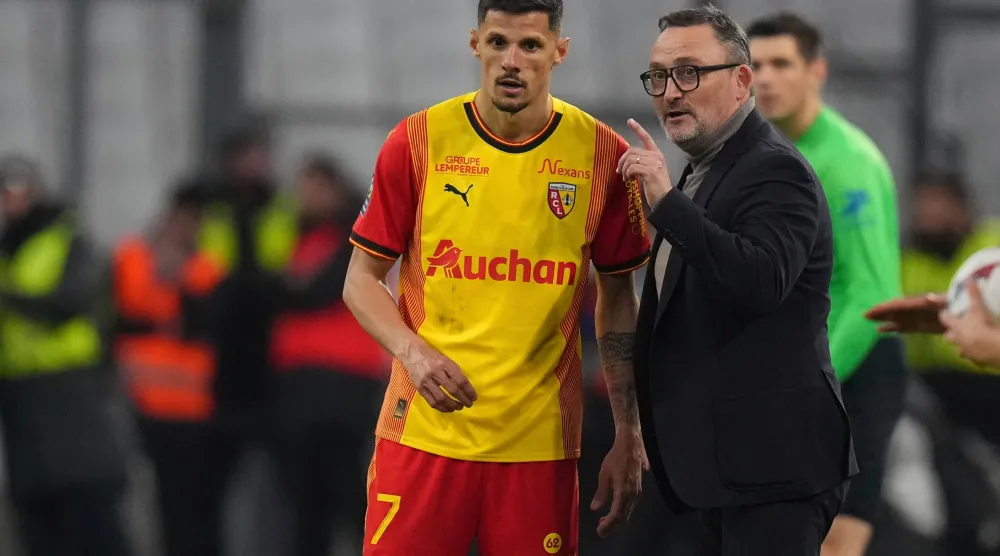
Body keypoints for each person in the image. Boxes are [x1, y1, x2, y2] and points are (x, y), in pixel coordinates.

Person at [343, 0, 652, 553]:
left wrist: (629, 429)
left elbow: (618, 298)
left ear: (559, 52)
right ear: (475, 44)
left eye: (530, 46)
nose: (512, 61)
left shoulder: (604, 155)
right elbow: (360, 280)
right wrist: (414, 355)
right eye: (498, 43)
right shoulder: (417, 140)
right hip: (424, 437)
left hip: (540, 448)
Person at [625, 6, 856, 554]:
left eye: (689, 72)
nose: (670, 92)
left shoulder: (775, 168)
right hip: (725, 469)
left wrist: (667, 205)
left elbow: (760, 281)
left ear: (741, 80)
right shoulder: (708, 165)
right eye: (658, 76)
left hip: (774, 469)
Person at [747, 13, 906, 556]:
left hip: (853, 370)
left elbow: (871, 297)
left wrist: (811, 382)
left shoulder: (848, 163)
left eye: (781, 64)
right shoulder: (770, 158)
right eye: (756, 65)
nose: (765, 78)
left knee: (836, 541)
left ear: (817, 71)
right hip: (799, 372)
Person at [0, 154, 131, 556]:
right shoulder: (10, 245)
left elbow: (69, 302)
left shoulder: (66, 238)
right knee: (38, 515)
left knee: (88, 510)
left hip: (70, 392)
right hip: (22, 396)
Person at [267, 154, 388, 555]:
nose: (306, 197)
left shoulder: (352, 238)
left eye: (316, 187)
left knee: (343, 491)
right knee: (304, 499)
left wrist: (279, 288)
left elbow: (312, 292)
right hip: (302, 384)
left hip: (341, 382)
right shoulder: (298, 239)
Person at [111, 179, 227, 556]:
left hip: (187, 411)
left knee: (184, 508)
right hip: (133, 404)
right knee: (134, 503)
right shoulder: (131, 258)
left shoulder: (206, 270)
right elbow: (114, 318)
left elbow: (211, 327)